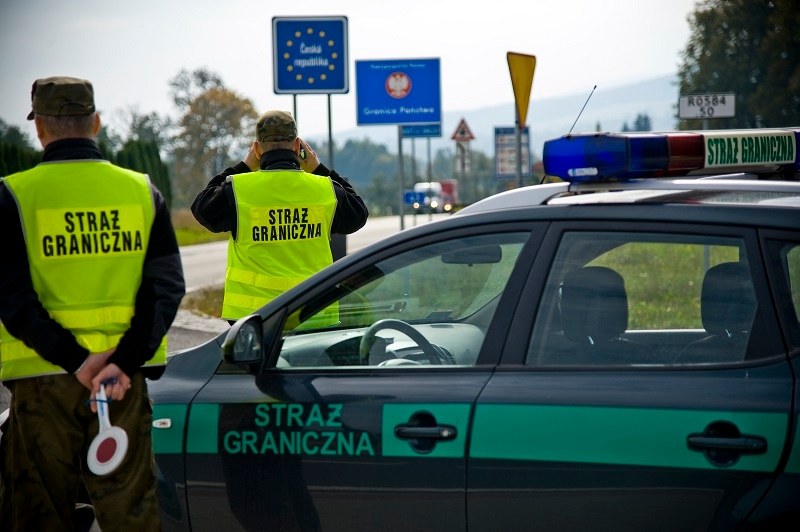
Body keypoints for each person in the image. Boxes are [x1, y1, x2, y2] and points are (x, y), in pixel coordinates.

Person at [0, 76, 185, 530]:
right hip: (120, 387)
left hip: (43, 383)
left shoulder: (14, 195)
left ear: (39, 129)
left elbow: (12, 298)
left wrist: (76, 360)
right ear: (97, 123)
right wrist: (120, 363)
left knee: (39, 515)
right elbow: (166, 288)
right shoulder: (141, 191)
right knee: (132, 515)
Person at [191, 110, 368, 321]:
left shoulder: (237, 190)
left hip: (254, 322)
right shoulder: (325, 189)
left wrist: (243, 167)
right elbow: (359, 213)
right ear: (297, 146)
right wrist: (319, 169)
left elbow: (201, 207)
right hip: (313, 315)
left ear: (257, 149)